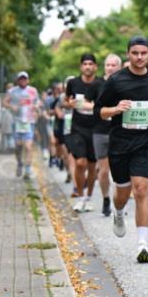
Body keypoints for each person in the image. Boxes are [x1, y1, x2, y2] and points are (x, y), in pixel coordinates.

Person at [94, 36, 148, 263]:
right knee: (123, 193)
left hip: (145, 142)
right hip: (120, 144)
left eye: (143, 53)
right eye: (135, 53)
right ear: (128, 54)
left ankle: (142, 244)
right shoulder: (116, 81)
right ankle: (118, 212)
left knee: (141, 189)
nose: (139, 57)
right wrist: (116, 109)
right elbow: (100, 111)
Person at [65, 54, 102, 212]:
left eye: (90, 64)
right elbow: (66, 101)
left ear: (95, 67)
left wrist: (91, 106)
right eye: (85, 64)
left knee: (92, 166)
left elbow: (104, 104)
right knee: (80, 163)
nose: (87, 67)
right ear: (81, 67)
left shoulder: (101, 83)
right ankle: (80, 197)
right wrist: (70, 104)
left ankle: (89, 198)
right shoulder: (73, 83)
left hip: (95, 128)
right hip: (78, 128)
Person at [89, 54, 122, 216]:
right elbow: (89, 104)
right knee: (103, 171)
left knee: (120, 170)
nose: (110, 68)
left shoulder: (125, 83)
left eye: (113, 65)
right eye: (108, 65)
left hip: (119, 131)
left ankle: (119, 201)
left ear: (119, 67)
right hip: (100, 131)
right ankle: (106, 198)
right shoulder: (97, 84)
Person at [3, 71, 42, 180]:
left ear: (28, 80)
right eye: (21, 79)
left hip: (29, 121)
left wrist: (36, 106)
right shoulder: (12, 91)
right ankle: (20, 163)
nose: (23, 81)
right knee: (18, 146)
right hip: (17, 122)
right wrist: (12, 107)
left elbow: (38, 102)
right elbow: (4, 102)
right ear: (17, 80)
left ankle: (28, 170)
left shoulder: (33, 90)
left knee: (28, 146)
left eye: (25, 79)